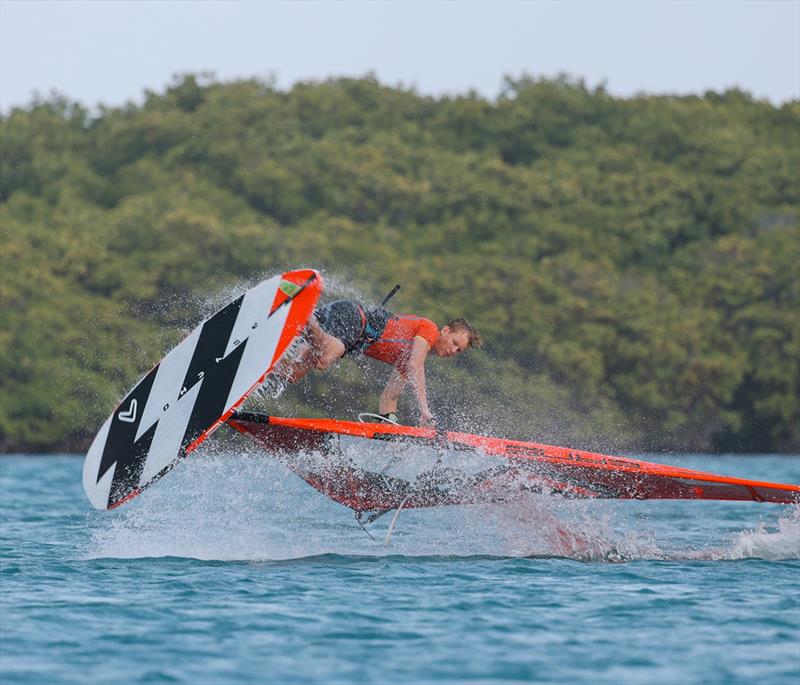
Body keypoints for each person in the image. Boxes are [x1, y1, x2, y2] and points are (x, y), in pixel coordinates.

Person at [284, 300, 482, 427]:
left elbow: (390, 396)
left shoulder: (408, 359)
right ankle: (304, 316)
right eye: (455, 343)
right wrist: (424, 410)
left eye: (459, 350)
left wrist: (390, 430)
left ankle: (276, 353)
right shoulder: (429, 330)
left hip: (349, 331)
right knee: (326, 357)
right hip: (354, 318)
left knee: (293, 373)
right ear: (446, 331)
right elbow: (416, 365)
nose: (453, 351)